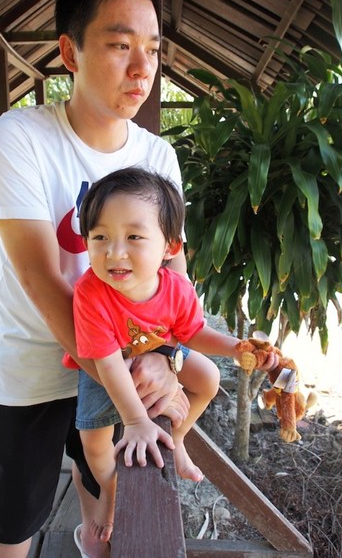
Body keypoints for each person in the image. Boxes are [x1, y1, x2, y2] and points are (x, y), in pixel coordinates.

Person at [0, 0, 193, 557]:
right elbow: (42, 280)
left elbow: (174, 275)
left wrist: (167, 358)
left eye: (152, 48)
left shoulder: (157, 155)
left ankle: (91, 535)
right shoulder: (17, 137)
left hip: (129, 370)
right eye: (121, 45)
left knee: (115, 510)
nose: (142, 68)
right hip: (33, 376)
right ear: (70, 52)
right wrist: (126, 378)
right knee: (9, 529)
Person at [65, 167, 268, 544]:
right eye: (100, 237)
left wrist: (236, 348)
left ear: (170, 247)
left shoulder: (176, 287)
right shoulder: (90, 292)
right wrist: (136, 420)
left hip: (156, 350)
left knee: (208, 377)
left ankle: (177, 440)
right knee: (93, 439)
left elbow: (193, 332)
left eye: (134, 237)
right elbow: (107, 364)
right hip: (104, 365)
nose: (114, 252)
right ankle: (110, 492)